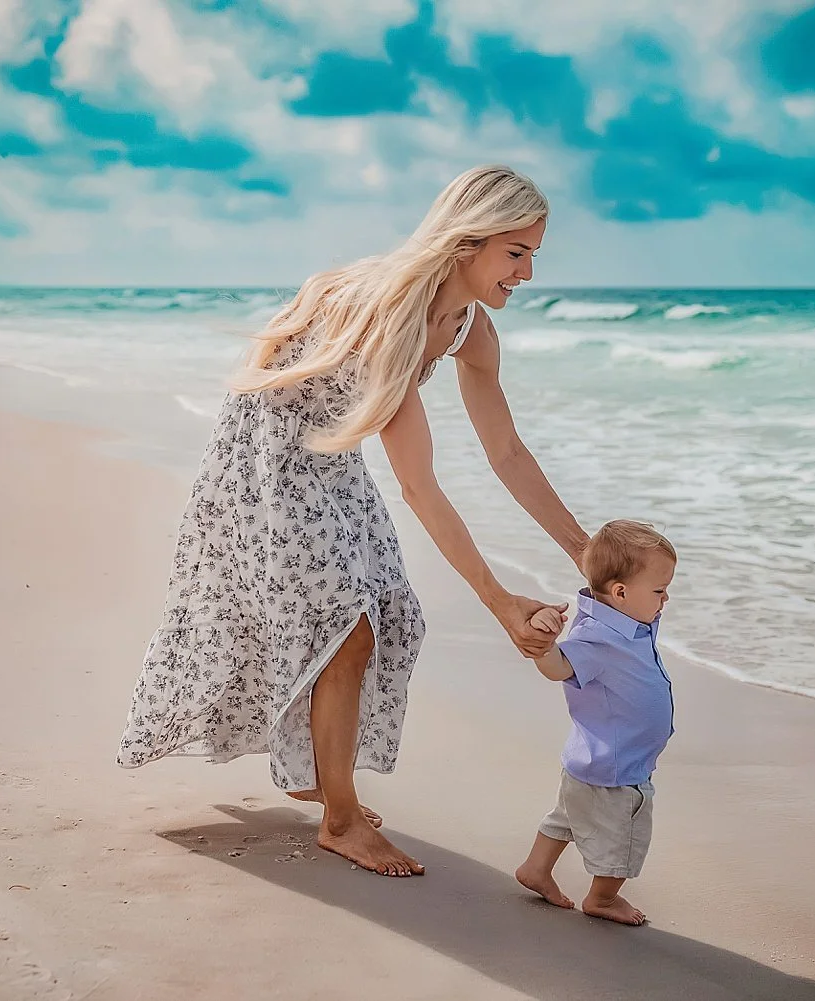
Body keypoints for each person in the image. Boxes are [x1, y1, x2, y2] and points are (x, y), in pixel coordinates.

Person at [117, 166, 588, 877]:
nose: (526, 272)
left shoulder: (470, 328)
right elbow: (418, 484)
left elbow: (507, 451)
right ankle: (339, 818)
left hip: (332, 455)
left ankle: (315, 770)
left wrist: (584, 548)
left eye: (533, 254)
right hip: (266, 451)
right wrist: (501, 604)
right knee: (347, 619)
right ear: (467, 243)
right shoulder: (394, 317)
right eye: (515, 252)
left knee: (388, 610)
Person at [516, 520, 676, 925]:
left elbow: (637, 619)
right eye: (659, 591)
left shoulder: (628, 623)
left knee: (567, 816)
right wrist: (542, 645)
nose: (666, 598)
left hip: (590, 759)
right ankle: (603, 898)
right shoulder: (597, 639)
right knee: (623, 837)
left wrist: (651, 600)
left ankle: (536, 868)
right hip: (618, 771)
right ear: (620, 593)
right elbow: (559, 667)